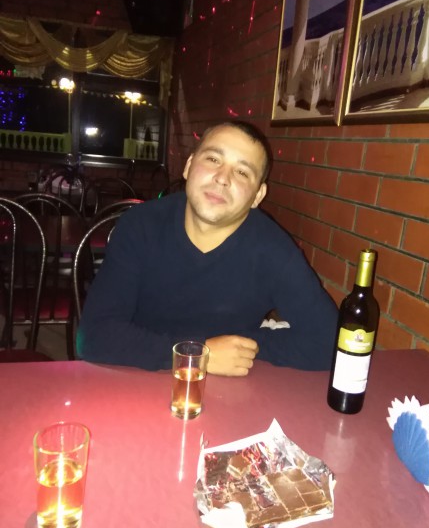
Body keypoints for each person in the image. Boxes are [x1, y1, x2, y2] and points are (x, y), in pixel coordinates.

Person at [77, 121, 338, 376]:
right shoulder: (141, 225)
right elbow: (94, 336)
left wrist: (246, 348)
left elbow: (330, 342)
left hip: (227, 390)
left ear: (258, 195)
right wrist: (200, 354)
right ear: (189, 166)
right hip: (135, 376)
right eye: (213, 159)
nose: (222, 178)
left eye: (242, 172)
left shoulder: (274, 249)